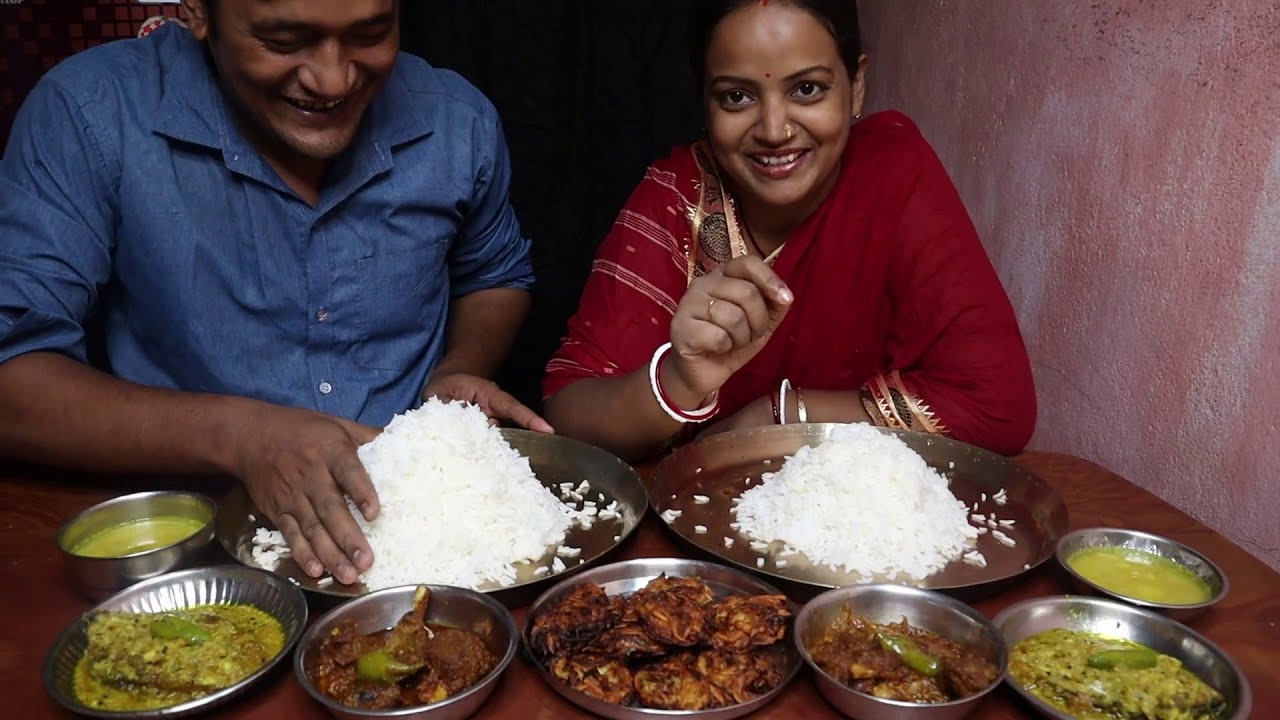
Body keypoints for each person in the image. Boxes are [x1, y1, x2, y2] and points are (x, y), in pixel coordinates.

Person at [0, 0, 549, 586]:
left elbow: (494, 274)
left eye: (371, 33)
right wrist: (243, 438)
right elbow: (12, 383)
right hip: (190, 551)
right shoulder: (90, 112)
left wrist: (456, 371)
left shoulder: (457, 119)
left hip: (432, 540)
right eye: (285, 40)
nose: (333, 79)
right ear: (196, 12)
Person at [543, 0, 1035, 462]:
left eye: (807, 90)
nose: (775, 130)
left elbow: (998, 407)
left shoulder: (893, 175)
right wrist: (678, 380)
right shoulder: (677, 197)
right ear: (704, 104)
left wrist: (780, 417)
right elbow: (567, 413)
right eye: (737, 97)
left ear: (857, 85)